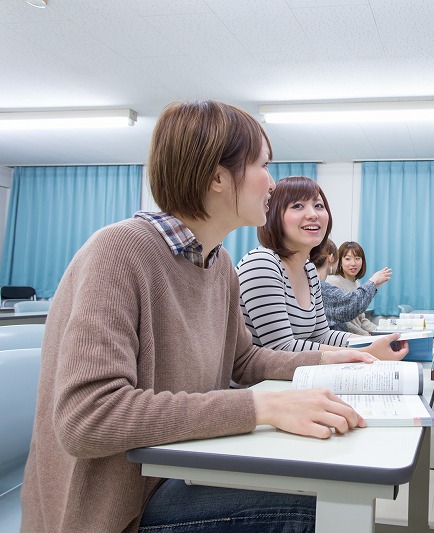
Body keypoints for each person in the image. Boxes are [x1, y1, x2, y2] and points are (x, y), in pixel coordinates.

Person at [20, 100, 405, 533]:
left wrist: (327, 360)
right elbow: (88, 418)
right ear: (218, 177)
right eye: (262, 164)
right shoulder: (120, 252)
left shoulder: (218, 264)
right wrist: (259, 405)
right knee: (315, 503)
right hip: (118, 504)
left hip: (177, 463)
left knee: (322, 478)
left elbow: (244, 361)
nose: (272, 182)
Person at [236, 177, 402, 358]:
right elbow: (280, 348)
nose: (313, 214)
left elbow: (322, 335)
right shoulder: (262, 263)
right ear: (273, 214)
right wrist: (363, 353)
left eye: (319, 206)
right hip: (258, 384)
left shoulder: (308, 271)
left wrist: (375, 342)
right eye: (297, 206)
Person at [313, 238, 391, 332]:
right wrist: (365, 336)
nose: (353, 263)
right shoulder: (331, 283)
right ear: (337, 260)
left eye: (357, 258)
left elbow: (361, 319)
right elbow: (347, 315)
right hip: (346, 338)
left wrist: (380, 331)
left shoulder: (356, 284)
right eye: (348, 259)